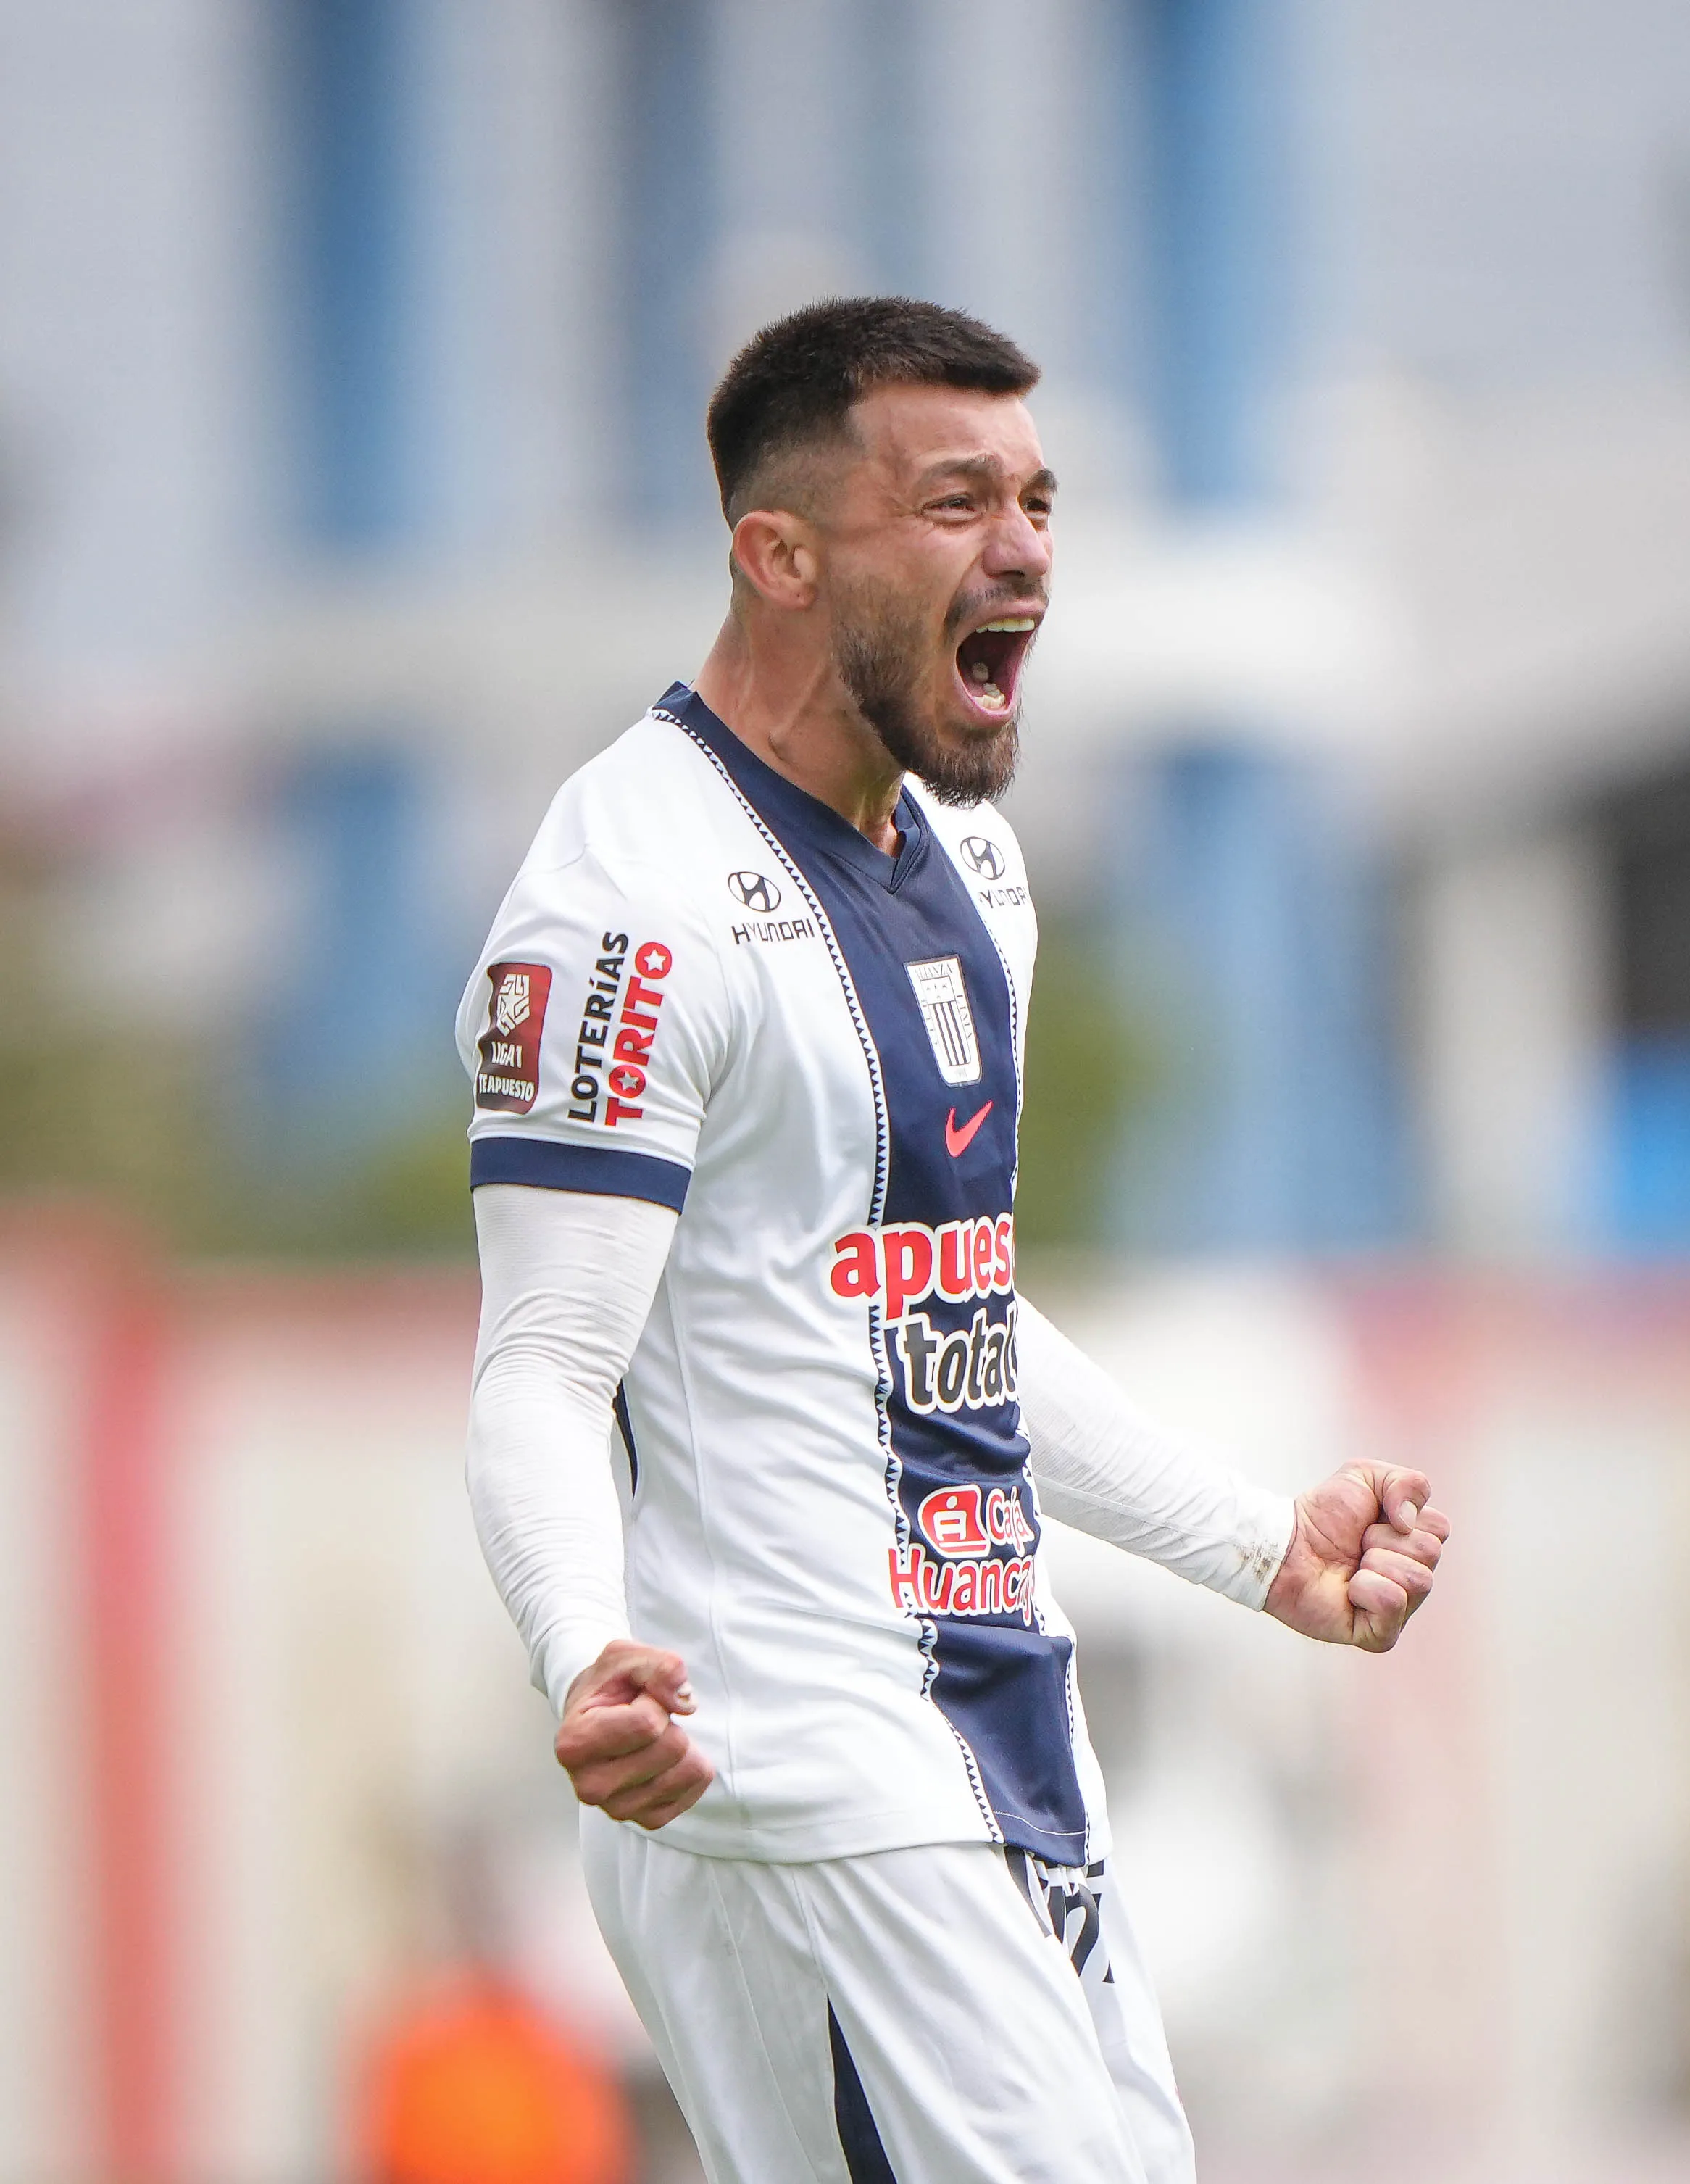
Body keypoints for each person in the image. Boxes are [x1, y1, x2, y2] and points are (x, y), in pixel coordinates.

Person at [459, 296, 1448, 2184]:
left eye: (1042, 499)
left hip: (1000, 1720)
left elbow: (948, 1315)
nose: (1025, 552)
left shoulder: (974, 865)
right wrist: (579, 1643)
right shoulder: (620, 903)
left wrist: (1263, 1550)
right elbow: (542, 1363)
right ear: (782, 553)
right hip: (786, 1770)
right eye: (957, 501)